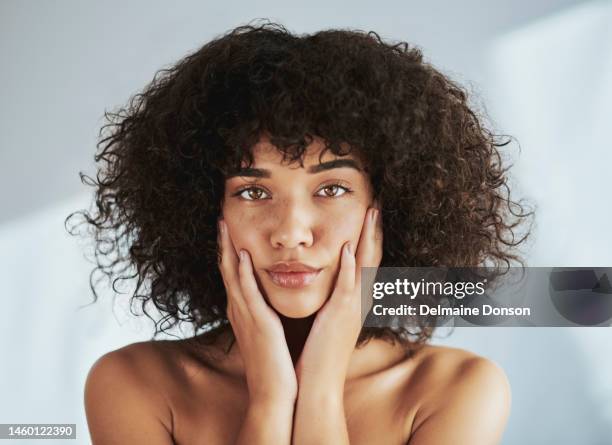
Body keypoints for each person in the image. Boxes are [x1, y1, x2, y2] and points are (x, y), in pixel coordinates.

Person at [69, 20, 534, 444]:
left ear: (389, 204)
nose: (291, 232)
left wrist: (320, 392)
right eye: (253, 192)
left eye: (332, 188)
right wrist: (270, 399)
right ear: (207, 211)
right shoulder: (135, 384)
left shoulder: (456, 390)